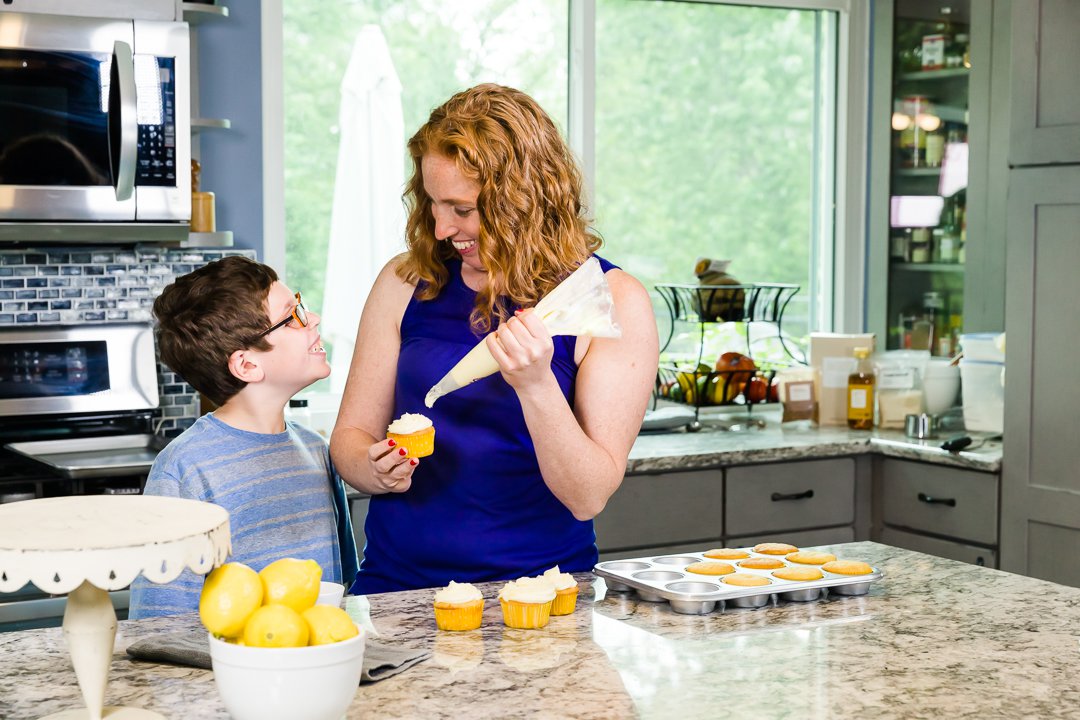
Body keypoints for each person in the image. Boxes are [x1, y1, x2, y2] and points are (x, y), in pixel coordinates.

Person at [330, 83, 659, 594]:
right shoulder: (404, 281)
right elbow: (349, 438)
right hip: (397, 590)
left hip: (540, 596)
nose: (441, 229)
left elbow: (588, 495)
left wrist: (535, 384)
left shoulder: (611, 300)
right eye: (432, 204)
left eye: (462, 209)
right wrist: (374, 472)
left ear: (523, 200)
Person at [128, 256, 359, 618]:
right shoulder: (184, 468)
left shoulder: (316, 449)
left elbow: (344, 586)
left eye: (302, 307)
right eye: (293, 315)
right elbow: (159, 624)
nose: (313, 319)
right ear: (247, 365)